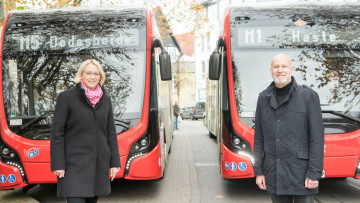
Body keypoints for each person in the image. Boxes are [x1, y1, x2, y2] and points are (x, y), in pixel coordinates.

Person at [253, 54, 324, 203]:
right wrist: (259, 171)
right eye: (276, 67)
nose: (280, 70)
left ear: (291, 69)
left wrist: (314, 173)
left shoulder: (308, 96)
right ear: (271, 70)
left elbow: (317, 139)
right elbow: (259, 138)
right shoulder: (263, 98)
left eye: (284, 66)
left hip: (302, 173)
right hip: (274, 172)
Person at [51, 59, 121, 203]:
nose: (92, 77)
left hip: (98, 165)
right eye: (88, 73)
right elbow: (57, 133)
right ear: (81, 75)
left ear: (100, 77)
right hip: (73, 167)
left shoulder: (105, 99)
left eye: (96, 74)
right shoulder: (66, 97)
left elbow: (111, 133)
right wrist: (58, 164)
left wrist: (114, 162)